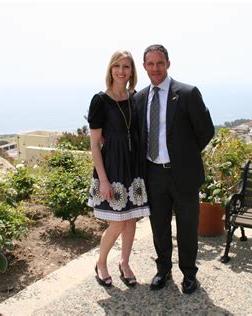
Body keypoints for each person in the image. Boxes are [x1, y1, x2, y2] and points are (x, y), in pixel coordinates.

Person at [134, 44, 214, 294]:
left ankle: (189, 274)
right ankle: (163, 270)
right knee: (159, 227)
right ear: (145, 66)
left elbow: (206, 131)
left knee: (187, 227)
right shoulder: (139, 98)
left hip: (184, 174)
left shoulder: (188, 93)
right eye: (150, 64)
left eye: (160, 63)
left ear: (168, 63)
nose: (155, 68)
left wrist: (184, 156)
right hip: (154, 174)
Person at [87, 50, 150, 288]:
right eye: (117, 66)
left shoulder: (134, 98)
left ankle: (124, 263)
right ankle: (101, 263)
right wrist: (103, 180)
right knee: (118, 223)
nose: (121, 71)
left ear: (132, 71)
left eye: (126, 66)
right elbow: (94, 143)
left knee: (132, 220)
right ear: (110, 69)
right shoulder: (100, 101)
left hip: (133, 167)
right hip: (112, 167)